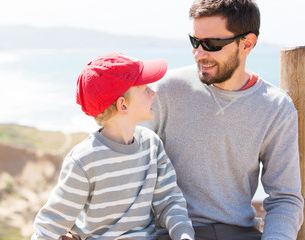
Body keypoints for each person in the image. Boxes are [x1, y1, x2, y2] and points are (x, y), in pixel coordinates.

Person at [142, 0, 304, 239]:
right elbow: (127, 163)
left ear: (247, 43)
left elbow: (285, 198)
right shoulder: (165, 90)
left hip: (241, 233)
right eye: (194, 41)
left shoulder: (276, 107)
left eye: (212, 44)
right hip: (171, 232)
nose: (199, 53)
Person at [31, 52, 195, 240]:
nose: (153, 93)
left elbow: (169, 202)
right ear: (123, 105)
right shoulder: (84, 160)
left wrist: (183, 235)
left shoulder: (151, 144)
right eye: (144, 89)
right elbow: (49, 226)